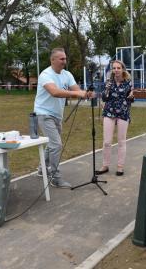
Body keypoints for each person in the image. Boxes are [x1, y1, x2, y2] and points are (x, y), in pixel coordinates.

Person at [34, 48, 94, 188]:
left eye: (65, 58)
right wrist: (78, 94)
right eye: (61, 59)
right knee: (56, 145)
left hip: (57, 115)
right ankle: (55, 177)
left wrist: (85, 93)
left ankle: (42, 170)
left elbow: (76, 89)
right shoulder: (46, 74)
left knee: (52, 145)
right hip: (43, 113)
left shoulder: (67, 74)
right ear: (52, 60)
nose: (64, 61)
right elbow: (54, 92)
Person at [96, 60, 134, 176]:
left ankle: (120, 166)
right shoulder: (109, 82)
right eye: (114, 68)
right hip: (109, 112)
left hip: (123, 113)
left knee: (121, 141)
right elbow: (104, 98)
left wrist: (131, 97)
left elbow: (131, 100)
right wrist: (106, 90)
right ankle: (105, 165)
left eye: (118, 68)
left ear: (123, 69)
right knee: (107, 141)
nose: (116, 70)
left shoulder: (128, 82)